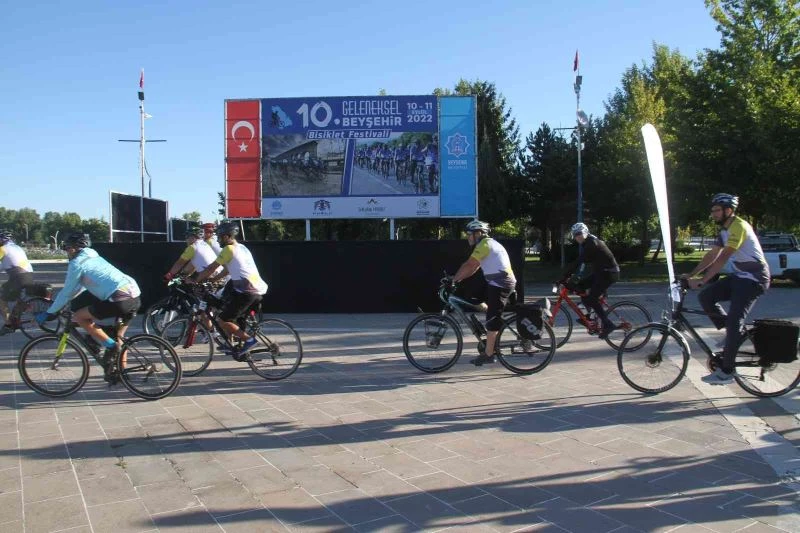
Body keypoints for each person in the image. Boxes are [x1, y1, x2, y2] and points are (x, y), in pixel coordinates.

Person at [683, 193, 770, 385]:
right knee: (706, 297)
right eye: (712, 210)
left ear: (728, 210)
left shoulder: (738, 226)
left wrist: (703, 280)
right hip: (740, 277)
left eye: (716, 210)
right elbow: (712, 255)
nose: (713, 213)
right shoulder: (724, 230)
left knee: (733, 321)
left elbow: (723, 258)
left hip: (754, 279)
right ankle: (734, 335)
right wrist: (691, 275)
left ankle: (727, 371)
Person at [35, 232, 141, 380]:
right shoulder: (93, 256)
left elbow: (67, 291)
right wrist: (66, 302)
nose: (65, 251)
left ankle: (110, 346)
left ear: (73, 248)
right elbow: (81, 287)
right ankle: (122, 374)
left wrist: (50, 312)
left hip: (119, 299)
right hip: (134, 295)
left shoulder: (76, 264)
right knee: (120, 337)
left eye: (66, 247)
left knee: (79, 317)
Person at [193, 222, 268, 358]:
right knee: (224, 309)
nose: (218, 240)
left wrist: (196, 281)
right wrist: (212, 280)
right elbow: (227, 269)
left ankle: (249, 341)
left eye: (220, 237)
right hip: (253, 289)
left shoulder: (228, 249)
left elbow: (211, 268)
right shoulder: (242, 247)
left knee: (223, 320)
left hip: (247, 291)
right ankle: (231, 344)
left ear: (228, 236)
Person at [452, 220, 517, 366]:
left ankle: (489, 354)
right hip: (497, 281)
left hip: (501, 283)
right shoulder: (486, 244)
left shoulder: (484, 244)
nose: (468, 237)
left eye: (469, 234)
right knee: (475, 299)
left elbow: (470, 265)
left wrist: (455, 280)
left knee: (492, 318)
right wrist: (455, 278)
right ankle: (488, 333)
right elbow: (472, 267)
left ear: (478, 234)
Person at [562, 222, 621, 339]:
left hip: (610, 273)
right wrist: (572, 277)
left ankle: (608, 324)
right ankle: (589, 316)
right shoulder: (587, 242)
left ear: (585, 232)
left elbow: (579, 261)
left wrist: (564, 277)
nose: (577, 236)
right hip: (601, 273)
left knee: (592, 299)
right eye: (574, 235)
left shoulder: (592, 243)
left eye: (579, 233)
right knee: (580, 286)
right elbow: (583, 263)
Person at [0, 229, 34, 334]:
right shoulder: (17, 247)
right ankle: (18, 315)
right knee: (16, 295)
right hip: (29, 276)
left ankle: (9, 324)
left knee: (1, 299)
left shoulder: (2, 249)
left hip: (18, 277)